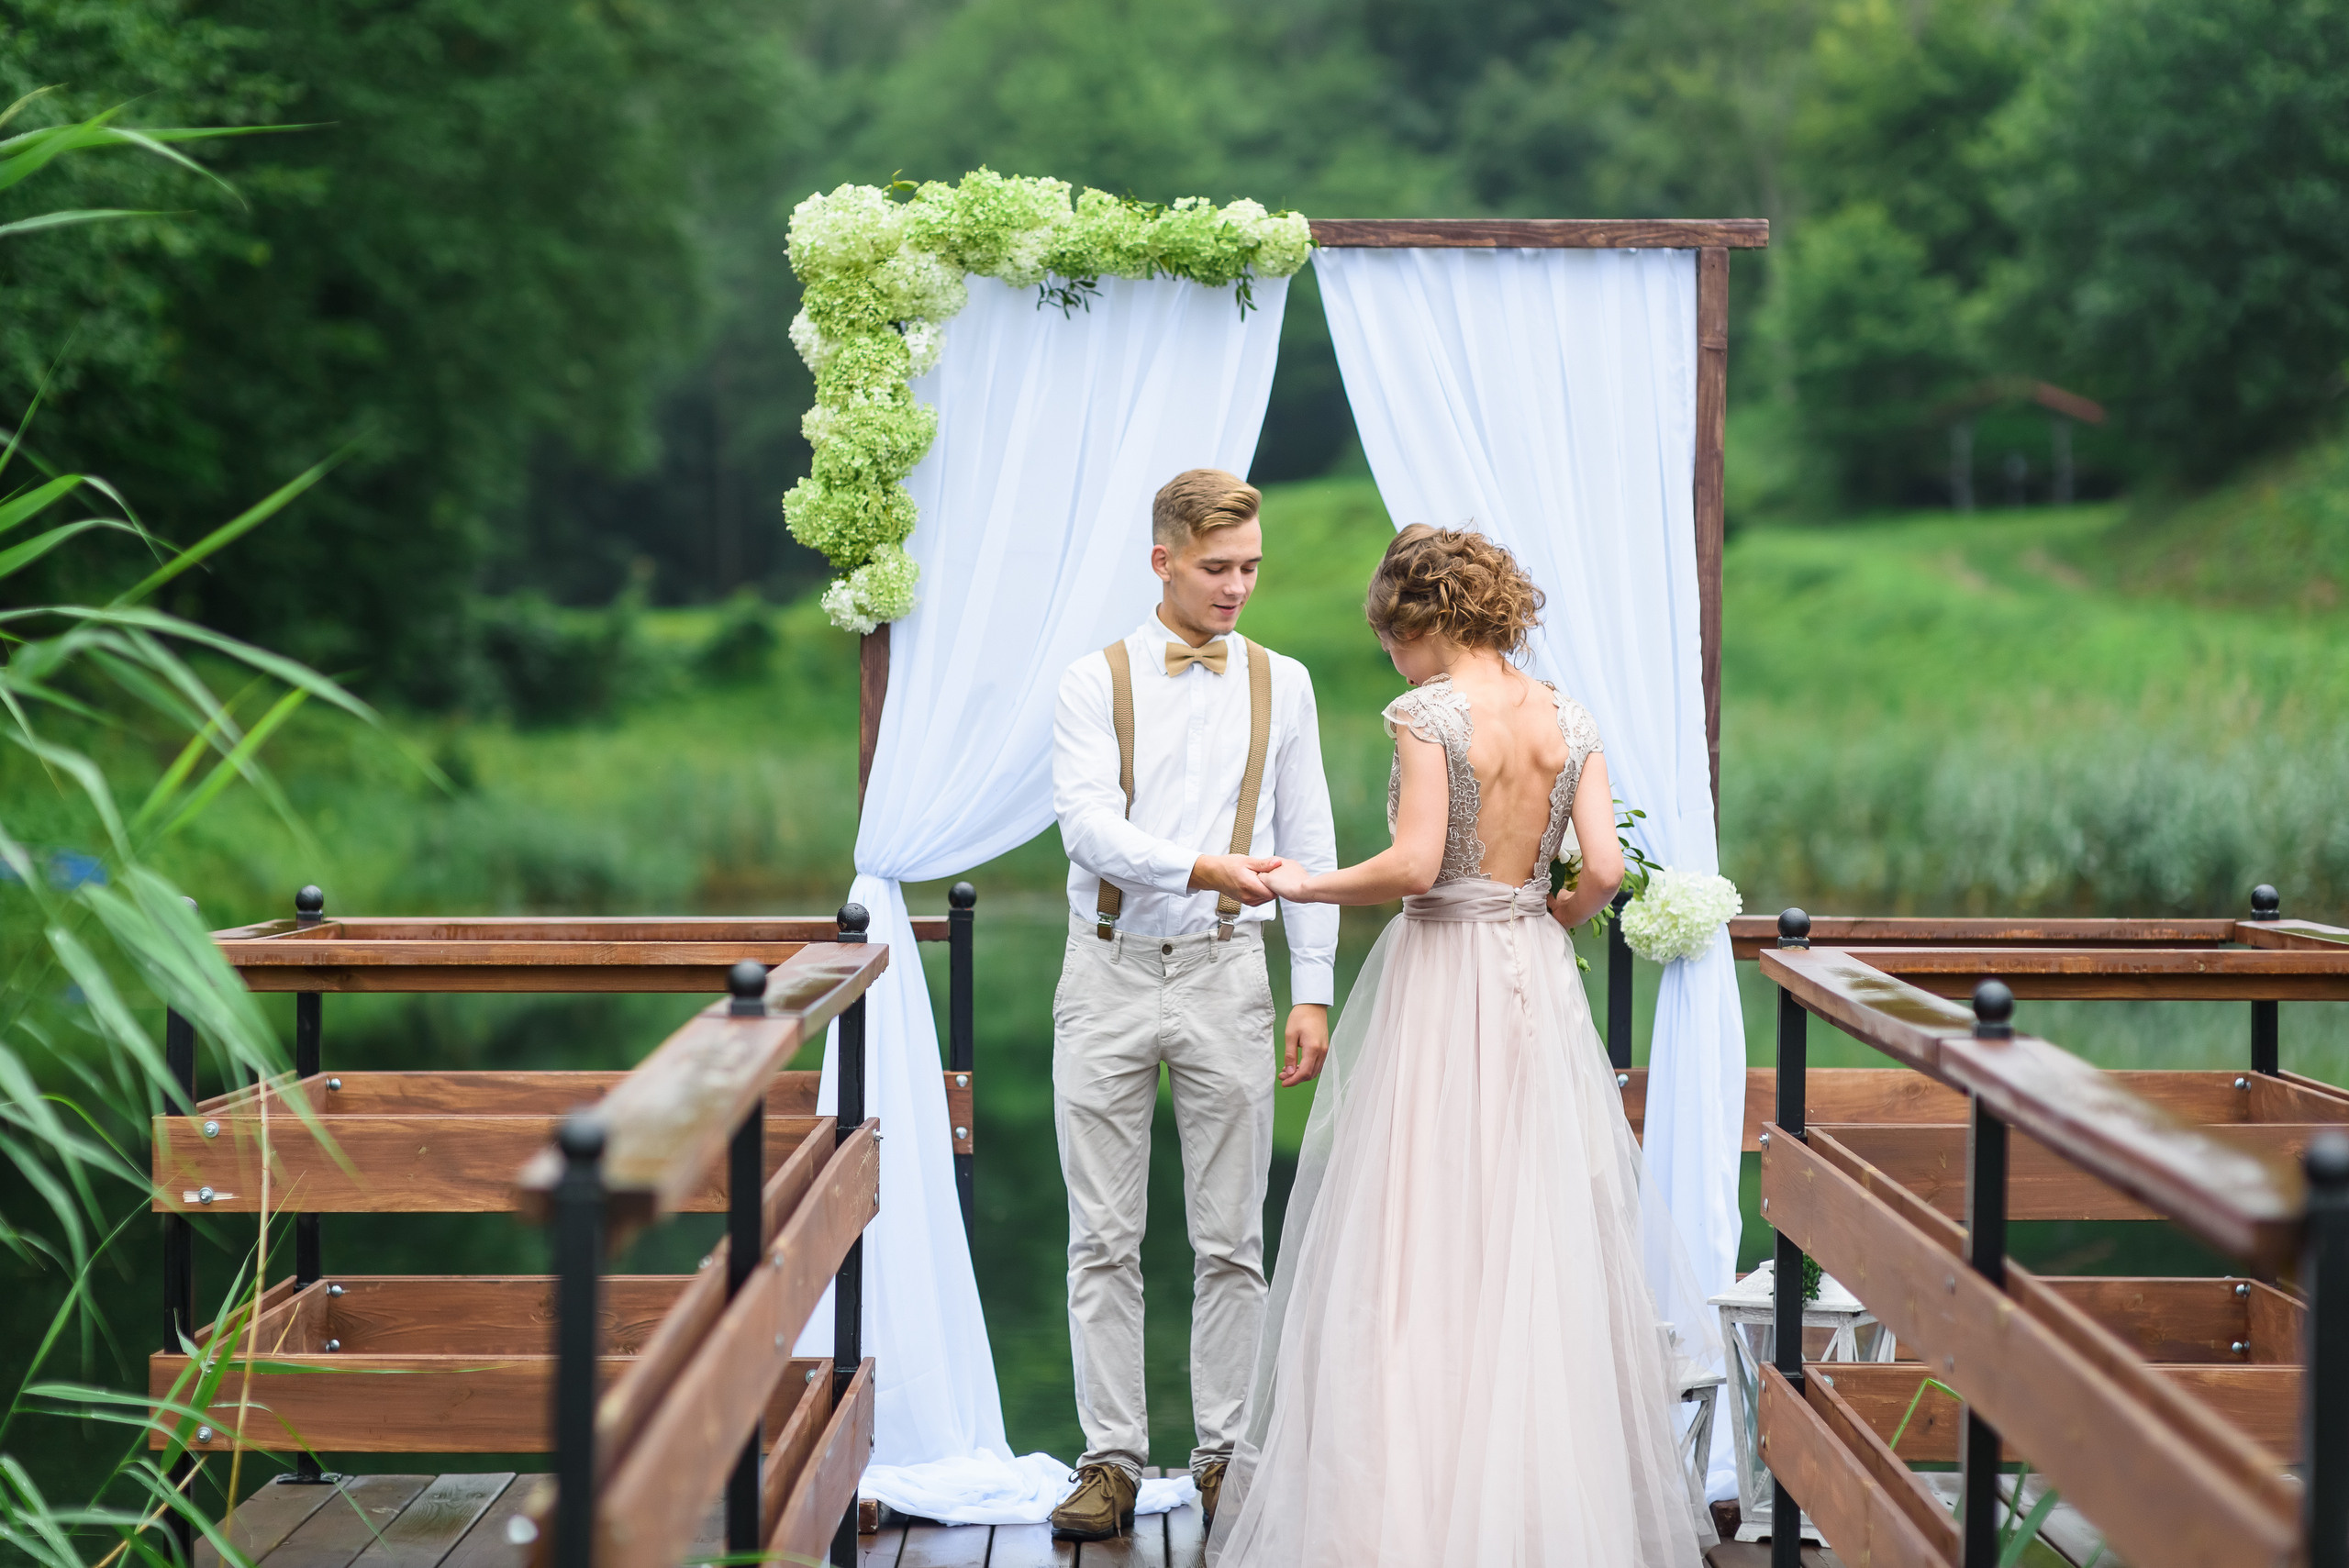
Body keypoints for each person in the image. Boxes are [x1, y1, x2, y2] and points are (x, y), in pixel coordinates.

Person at [1210, 525, 1704, 1567]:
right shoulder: (1569, 716)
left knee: (1413, 1232)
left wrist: (1307, 881)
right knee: (1530, 1228)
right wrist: (1545, 916)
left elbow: (1415, 862)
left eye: (1393, 637)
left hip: (1441, 978)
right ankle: (1535, 1516)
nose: (1393, 658)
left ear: (1421, 619)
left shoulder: (1425, 712)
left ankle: (1405, 1517)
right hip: (1531, 973)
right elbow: (1607, 868)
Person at [1046, 468, 1340, 1541]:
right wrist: (1202, 865)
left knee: (1230, 1237)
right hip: (1108, 968)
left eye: (1251, 567)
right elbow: (1085, 827)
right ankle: (1111, 1459)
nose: (1236, 587)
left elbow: (1309, 841)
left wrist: (1312, 987)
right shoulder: (1092, 680)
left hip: (1229, 973)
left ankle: (1225, 1455)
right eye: (1218, 567)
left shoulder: (1286, 681)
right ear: (1163, 557)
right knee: (1102, 1236)